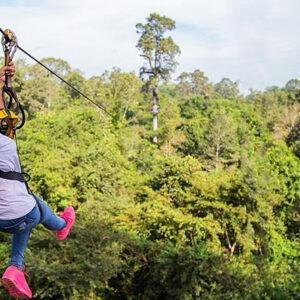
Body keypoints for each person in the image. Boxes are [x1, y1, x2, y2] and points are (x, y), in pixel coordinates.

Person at [0, 63, 75, 299]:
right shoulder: (6, 146)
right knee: (33, 209)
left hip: (1, 221)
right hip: (21, 213)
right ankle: (62, 226)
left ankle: (16, 267)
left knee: (25, 208)